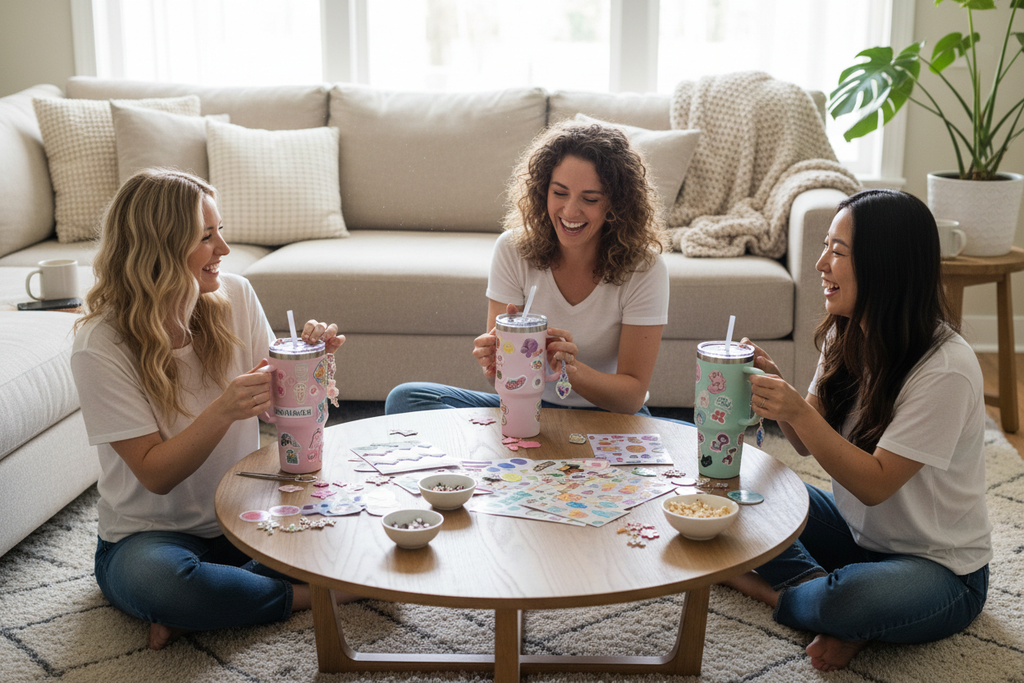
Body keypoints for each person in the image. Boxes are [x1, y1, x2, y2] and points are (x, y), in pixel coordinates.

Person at [70, 169, 347, 650]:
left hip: (243, 517)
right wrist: (222, 410)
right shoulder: (101, 344)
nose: (224, 248)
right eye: (206, 236)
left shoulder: (235, 293)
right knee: (161, 584)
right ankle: (323, 593)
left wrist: (308, 366)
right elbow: (156, 475)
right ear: (159, 247)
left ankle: (212, 606)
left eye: (219, 230)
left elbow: (276, 412)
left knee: (353, 520)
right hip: (149, 537)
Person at [727, 189, 991, 672]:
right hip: (857, 535)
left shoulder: (946, 366)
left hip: (941, 569)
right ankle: (827, 598)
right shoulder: (845, 331)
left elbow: (874, 483)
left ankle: (787, 595)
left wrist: (796, 410)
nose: (821, 264)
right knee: (736, 492)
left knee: (847, 602)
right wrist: (776, 390)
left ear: (884, 266)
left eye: (838, 252)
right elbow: (806, 442)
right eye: (826, 247)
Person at [385, 121, 669, 416]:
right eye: (559, 193)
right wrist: (495, 362)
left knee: (685, 442)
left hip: (611, 417)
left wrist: (571, 370)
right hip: (526, 407)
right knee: (406, 399)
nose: (570, 211)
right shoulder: (513, 249)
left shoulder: (644, 268)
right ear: (542, 190)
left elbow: (631, 397)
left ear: (616, 204)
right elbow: (502, 379)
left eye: (590, 199)